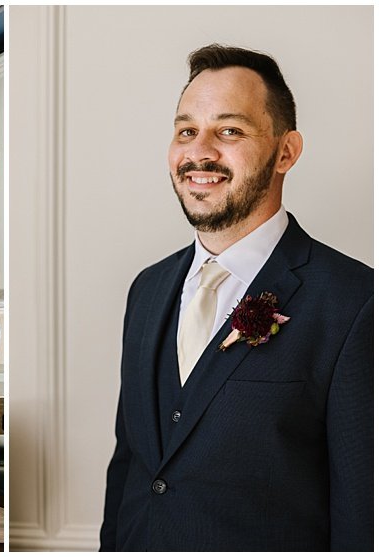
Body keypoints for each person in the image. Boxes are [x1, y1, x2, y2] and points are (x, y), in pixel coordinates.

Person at [100, 44, 373, 551]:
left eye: (229, 131)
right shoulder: (147, 288)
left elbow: (362, 509)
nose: (199, 152)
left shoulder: (356, 303)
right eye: (186, 131)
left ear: (285, 151)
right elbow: (130, 466)